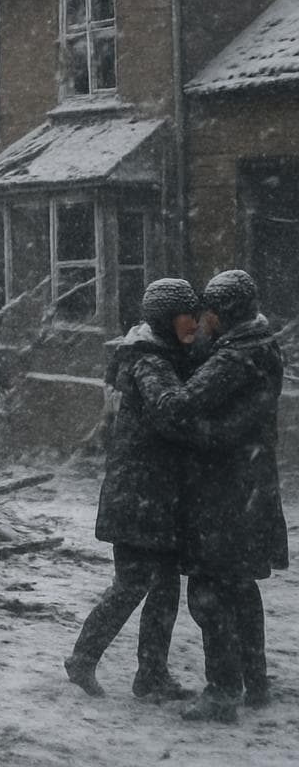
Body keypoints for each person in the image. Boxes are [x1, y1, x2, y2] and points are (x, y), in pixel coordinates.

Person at [144, 269, 288, 723]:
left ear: (223, 313)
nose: (201, 319)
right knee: (242, 588)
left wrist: (148, 368)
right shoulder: (262, 346)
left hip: (223, 493)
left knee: (208, 591)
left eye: (208, 310)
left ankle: (223, 691)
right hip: (251, 484)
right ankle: (255, 680)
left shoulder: (233, 359)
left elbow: (183, 405)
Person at [64, 278, 199, 701]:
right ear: (164, 319)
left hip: (150, 493)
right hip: (141, 496)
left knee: (160, 587)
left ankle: (150, 674)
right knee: (134, 583)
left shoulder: (162, 355)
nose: (193, 321)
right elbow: (170, 410)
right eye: (186, 314)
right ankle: (85, 659)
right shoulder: (152, 363)